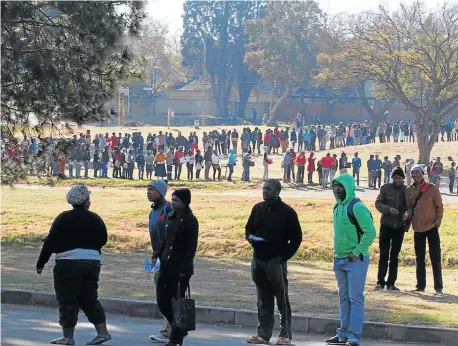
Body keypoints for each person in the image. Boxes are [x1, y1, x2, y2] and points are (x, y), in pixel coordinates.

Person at [36, 185, 111, 345]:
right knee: (90, 298)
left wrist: (41, 263)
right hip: (92, 263)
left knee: (67, 299)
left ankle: (67, 338)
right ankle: (102, 332)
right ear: (85, 201)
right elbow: (103, 239)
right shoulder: (96, 218)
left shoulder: (63, 218)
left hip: (68, 264)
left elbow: (50, 242)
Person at [245, 179, 302, 346]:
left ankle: (285, 335)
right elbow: (248, 229)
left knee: (282, 299)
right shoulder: (257, 208)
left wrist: (282, 257)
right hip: (258, 260)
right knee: (263, 298)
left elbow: (296, 238)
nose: (265, 192)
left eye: (268, 189)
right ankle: (263, 334)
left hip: (275, 262)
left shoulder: (287, 212)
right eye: (263, 189)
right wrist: (251, 239)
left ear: (278, 191)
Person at [326, 174, 376, 346]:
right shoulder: (336, 207)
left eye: (340, 186)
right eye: (335, 186)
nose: (337, 189)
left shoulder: (357, 207)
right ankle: (342, 334)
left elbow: (370, 232)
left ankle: (354, 336)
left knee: (355, 298)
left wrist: (356, 252)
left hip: (356, 260)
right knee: (343, 298)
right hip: (339, 259)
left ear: (348, 187)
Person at [154, 188, 199, 346]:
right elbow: (165, 240)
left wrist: (184, 268)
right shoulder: (170, 216)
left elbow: (191, 248)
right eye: (172, 199)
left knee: (177, 302)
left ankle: (175, 338)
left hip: (180, 268)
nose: (172, 203)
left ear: (185, 202)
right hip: (166, 264)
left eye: (176, 200)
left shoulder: (190, 220)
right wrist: (157, 254)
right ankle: (179, 327)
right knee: (162, 299)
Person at [405, 165, 444, 295]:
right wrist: (408, 213)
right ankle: (420, 285)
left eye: (418, 175)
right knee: (419, 257)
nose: (416, 177)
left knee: (435, 257)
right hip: (418, 228)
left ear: (422, 174)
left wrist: (437, 223)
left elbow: (439, 207)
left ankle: (438, 286)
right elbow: (410, 207)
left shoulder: (432, 189)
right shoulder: (409, 190)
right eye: (413, 175)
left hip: (432, 227)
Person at [147, 180, 173, 342]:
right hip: (159, 258)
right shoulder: (153, 211)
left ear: (161, 192)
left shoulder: (168, 208)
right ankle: (168, 328)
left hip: (169, 258)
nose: (148, 192)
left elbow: (170, 234)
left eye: (152, 189)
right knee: (161, 294)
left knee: (167, 294)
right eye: (147, 189)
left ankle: (168, 331)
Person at [374, 167, 408, 291]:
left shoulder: (406, 190)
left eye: (399, 178)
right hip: (386, 225)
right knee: (383, 254)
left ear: (403, 179)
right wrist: (389, 210)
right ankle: (380, 282)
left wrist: (407, 214)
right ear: (391, 178)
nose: (396, 180)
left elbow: (410, 206)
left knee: (394, 256)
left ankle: (391, 283)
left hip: (399, 227)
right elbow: (378, 204)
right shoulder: (385, 188)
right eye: (394, 178)